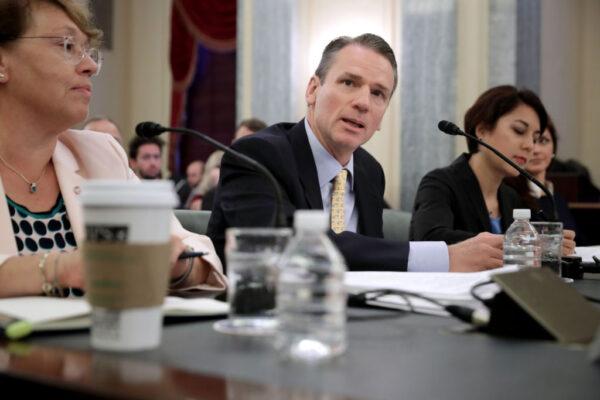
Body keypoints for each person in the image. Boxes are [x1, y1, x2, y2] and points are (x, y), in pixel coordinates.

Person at [207, 33, 505, 272]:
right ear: (313, 90)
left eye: (378, 94)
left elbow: (369, 262)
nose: (363, 102)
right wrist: (443, 258)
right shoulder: (256, 155)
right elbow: (289, 249)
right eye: (349, 83)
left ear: (382, 115)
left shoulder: (369, 172)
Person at [0, 0, 225, 298]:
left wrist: (174, 265)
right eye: (67, 46)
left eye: (87, 51)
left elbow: (200, 255)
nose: (90, 66)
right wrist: (60, 268)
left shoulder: (101, 155)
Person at [409, 85, 575, 255]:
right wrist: (523, 244)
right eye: (519, 131)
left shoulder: (510, 196)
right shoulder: (440, 183)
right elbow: (428, 239)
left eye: (535, 138)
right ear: (482, 130)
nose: (529, 146)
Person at [505, 116, 582, 239]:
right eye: (532, 141)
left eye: (543, 141)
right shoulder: (507, 195)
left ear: (553, 149)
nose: (535, 150)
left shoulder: (557, 198)